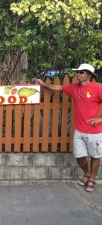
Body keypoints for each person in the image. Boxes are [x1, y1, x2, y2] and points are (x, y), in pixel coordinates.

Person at [36, 63, 102, 192]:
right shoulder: (74, 88)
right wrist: (43, 84)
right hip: (79, 130)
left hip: (94, 131)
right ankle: (86, 173)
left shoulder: (97, 89)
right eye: (78, 72)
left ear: (90, 75)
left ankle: (92, 179)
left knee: (95, 156)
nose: (78, 74)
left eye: (82, 72)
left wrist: (100, 118)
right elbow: (57, 87)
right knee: (79, 156)